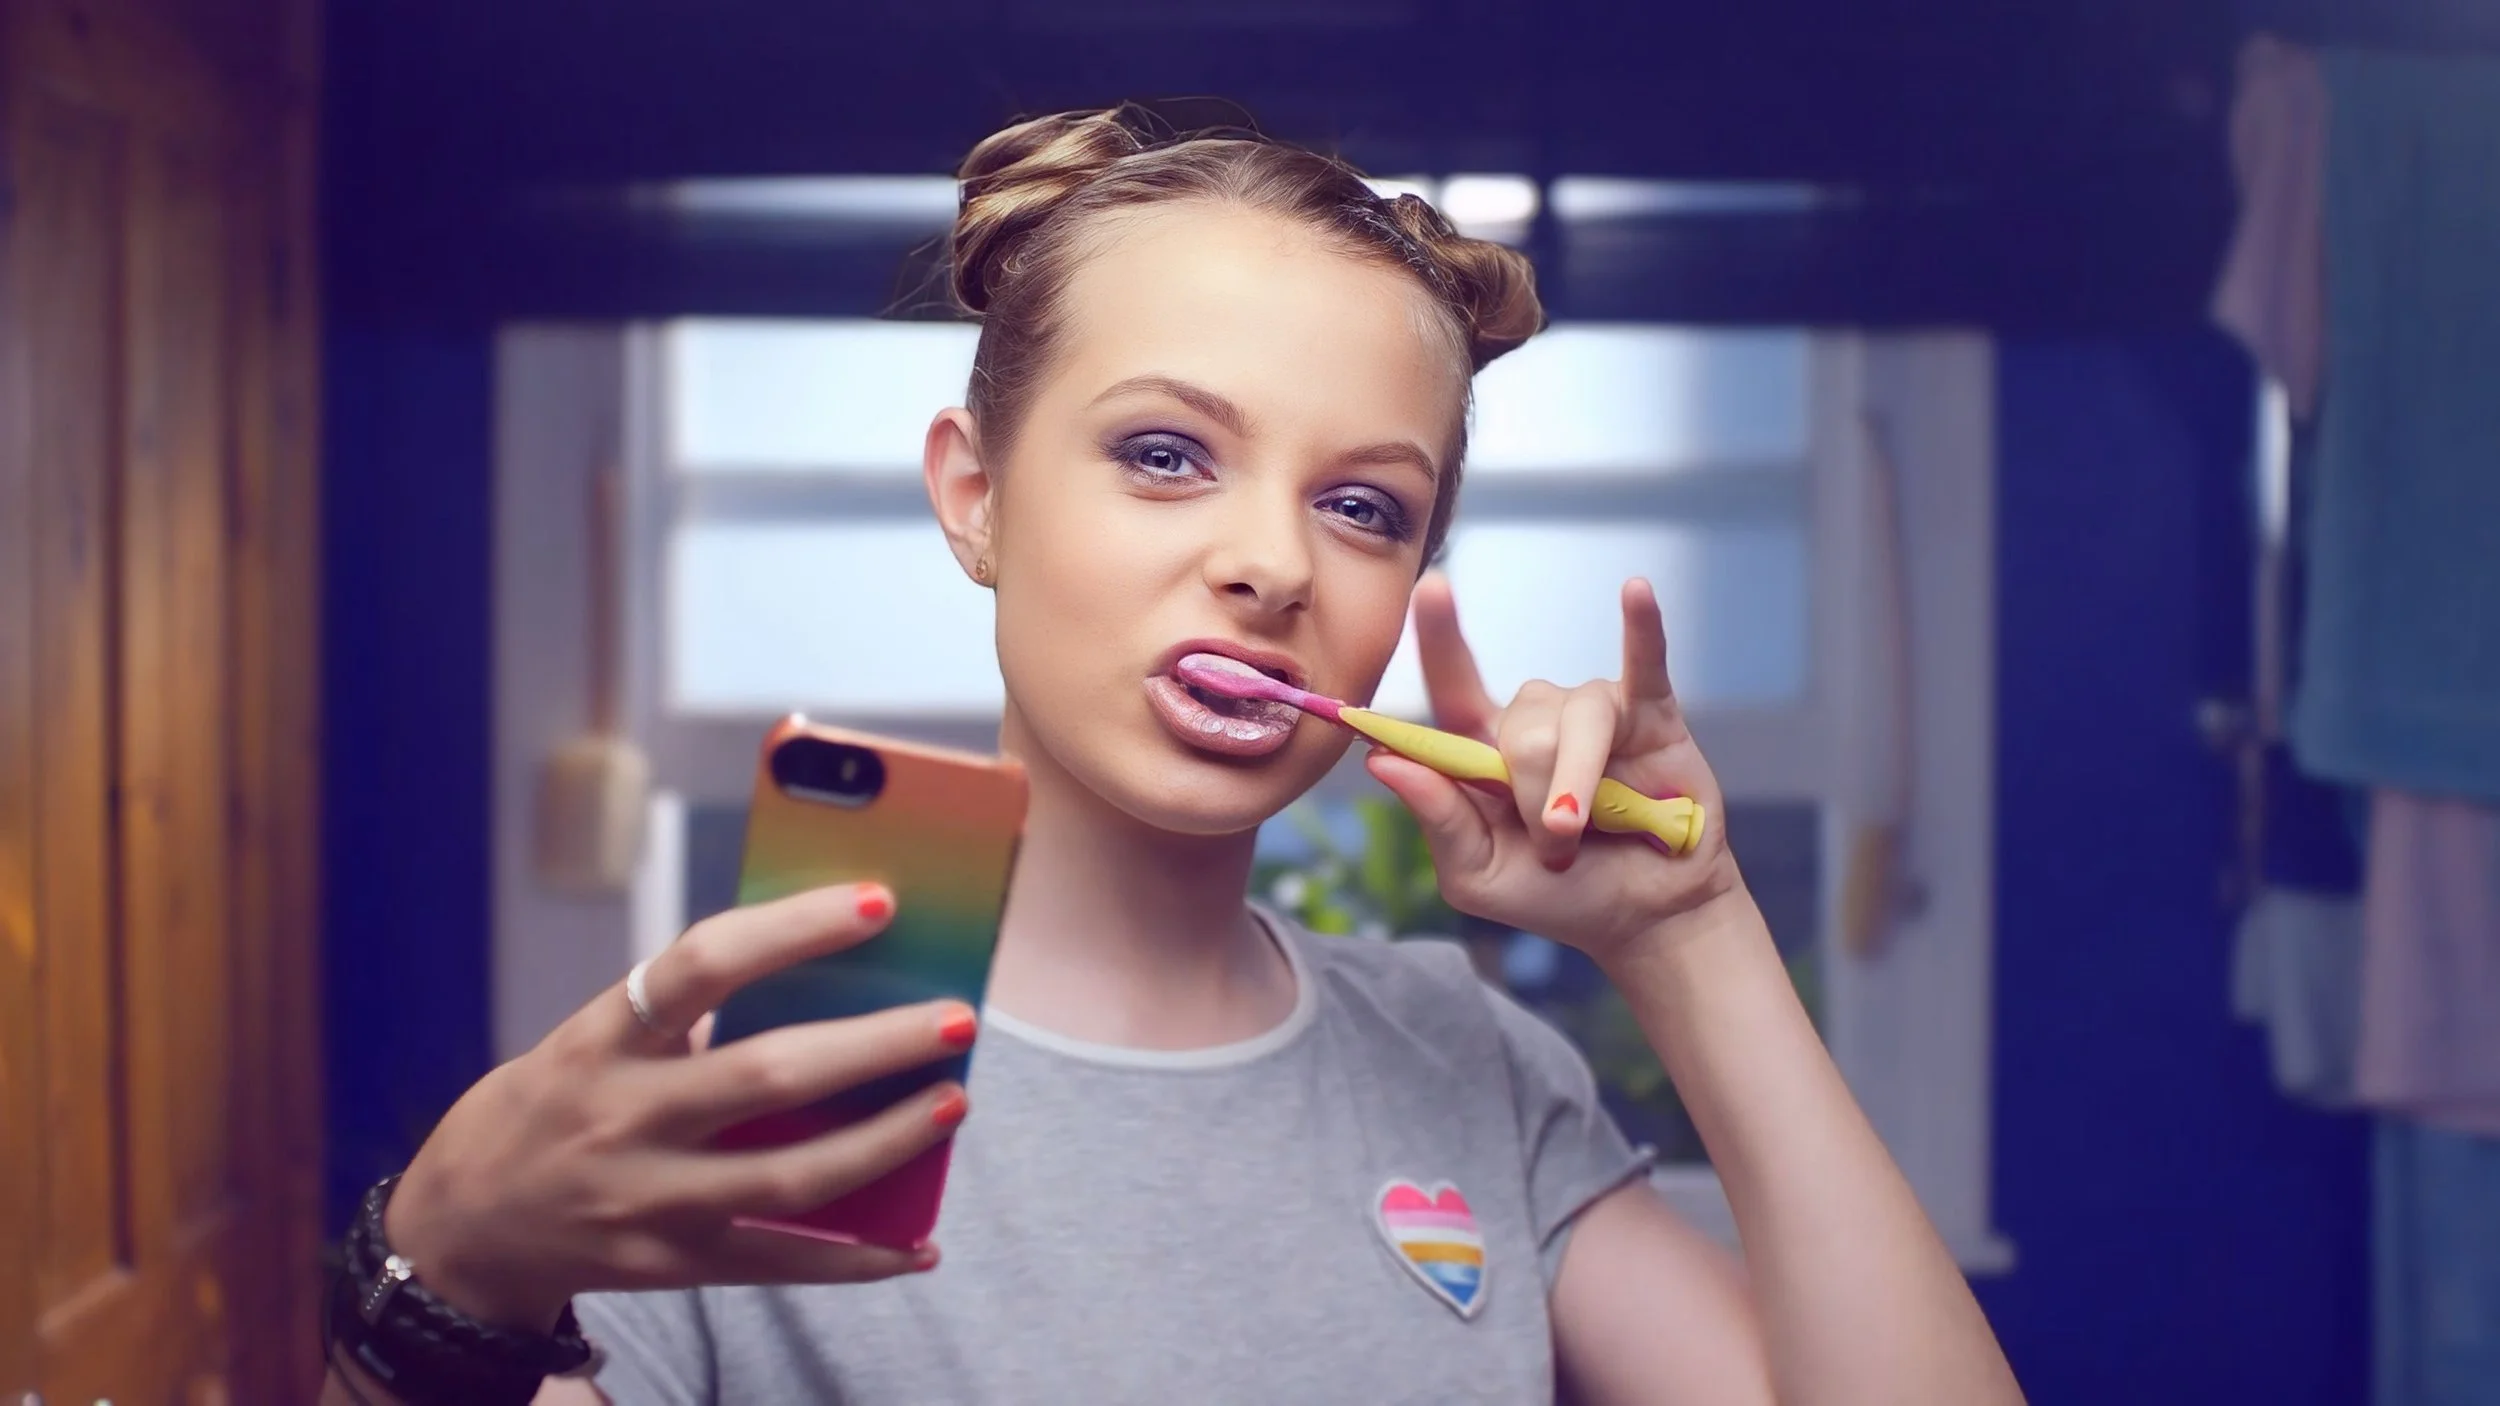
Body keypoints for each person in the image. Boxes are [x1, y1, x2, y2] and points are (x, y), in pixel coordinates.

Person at [321, 106, 2023, 1405]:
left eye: (1364, 505)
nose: (1275, 562)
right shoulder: (750, 1093)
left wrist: (1694, 933)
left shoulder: (1470, 1064)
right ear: (975, 495)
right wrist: (439, 1279)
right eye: (1163, 453)